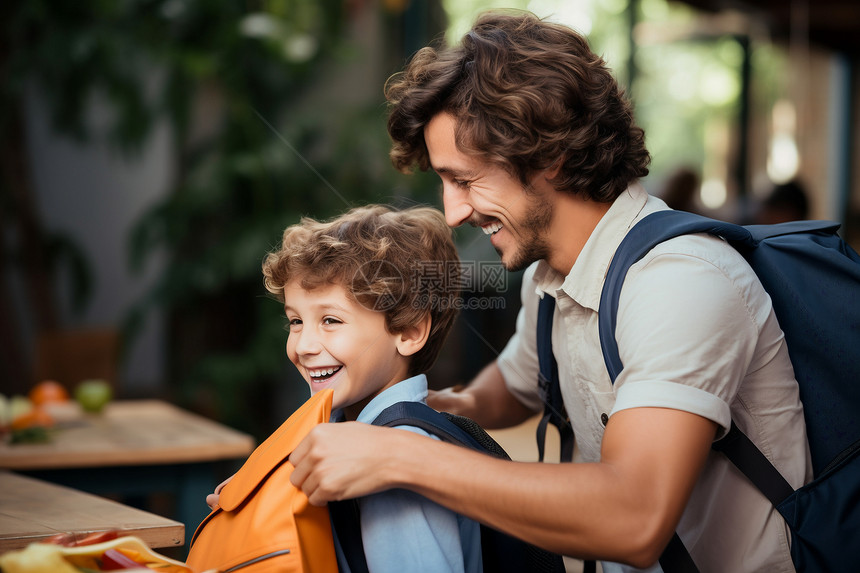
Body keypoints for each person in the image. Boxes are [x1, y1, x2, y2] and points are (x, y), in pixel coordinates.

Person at [288, 11, 811, 573]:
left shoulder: (680, 282)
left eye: (465, 180)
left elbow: (634, 518)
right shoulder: (555, 278)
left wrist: (402, 456)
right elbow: (513, 386)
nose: (453, 211)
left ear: (549, 158)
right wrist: (431, 413)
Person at [211, 205, 482, 572]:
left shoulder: (395, 466)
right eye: (295, 320)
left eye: (330, 320)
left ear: (409, 332)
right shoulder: (344, 433)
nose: (304, 345)